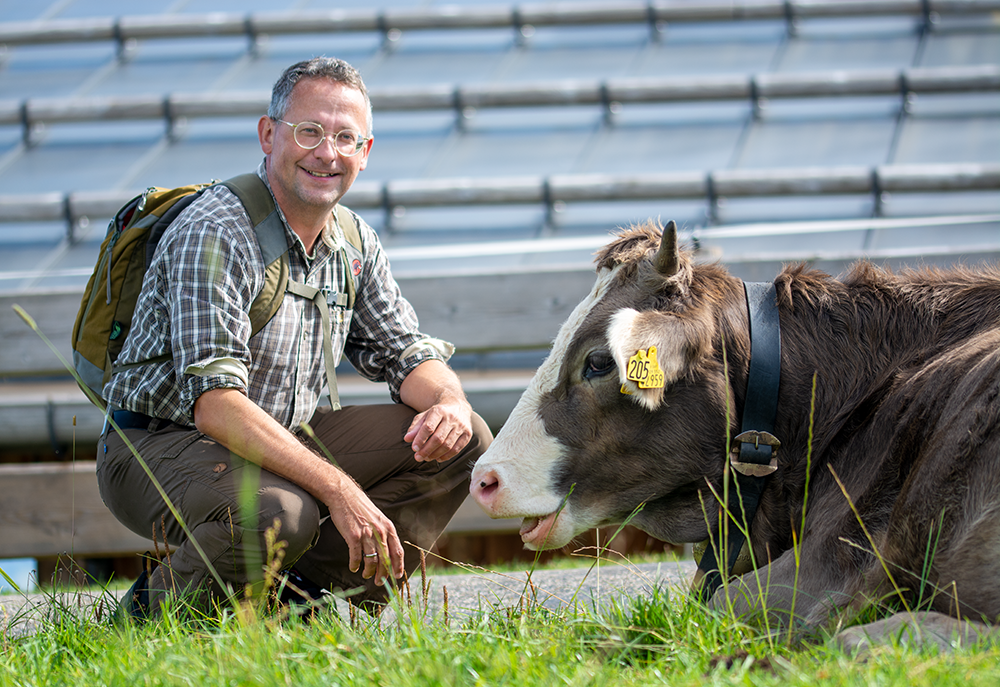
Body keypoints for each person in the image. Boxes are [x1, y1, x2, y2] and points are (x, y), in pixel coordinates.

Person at [97, 57, 491, 618]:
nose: (326, 153)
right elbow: (216, 407)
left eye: (344, 137)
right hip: (158, 444)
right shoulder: (213, 231)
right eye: (309, 131)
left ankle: (303, 599)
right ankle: (147, 618)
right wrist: (340, 488)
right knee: (281, 511)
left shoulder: (355, 241)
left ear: (365, 152)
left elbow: (405, 352)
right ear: (268, 134)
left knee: (465, 437)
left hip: (279, 434)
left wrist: (449, 402)